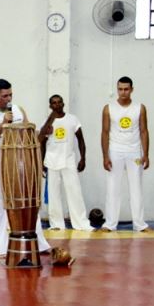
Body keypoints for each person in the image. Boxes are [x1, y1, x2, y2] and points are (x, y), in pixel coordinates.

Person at [0, 79, 50, 256]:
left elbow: (28, 132)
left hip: (18, 161)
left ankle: (38, 243)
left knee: (29, 203)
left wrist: (43, 132)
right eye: (4, 96)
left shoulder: (19, 110)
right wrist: (2, 126)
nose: (9, 98)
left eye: (10, 94)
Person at [100, 76, 152, 232]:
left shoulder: (140, 108)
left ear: (132, 90)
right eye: (120, 89)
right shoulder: (108, 108)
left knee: (136, 188)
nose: (123, 92)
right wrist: (105, 156)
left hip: (134, 151)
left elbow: (144, 131)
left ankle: (140, 224)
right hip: (115, 150)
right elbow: (104, 132)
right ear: (117, 89)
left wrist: (146, 154)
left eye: (126, 89)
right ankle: (110, 224)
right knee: (113, 187)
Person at [39, 94, 91, 231]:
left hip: (68, 160)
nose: (57, 105)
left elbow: (80, 139)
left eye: (59, 102)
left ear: (63, 104)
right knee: (53, 194)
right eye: (54, 103)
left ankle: (81, 223)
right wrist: (42, 162)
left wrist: (83, 158)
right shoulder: (47, 121)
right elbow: (40, 141)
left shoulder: (72, 119)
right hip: (51, 161)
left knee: (75, 192)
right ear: (50, 106)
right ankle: (56, 224)